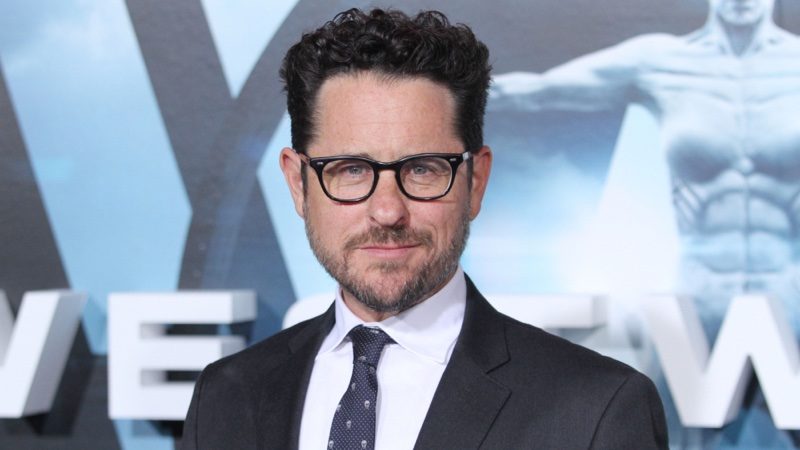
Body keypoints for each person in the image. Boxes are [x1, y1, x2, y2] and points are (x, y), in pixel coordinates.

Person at [180, 8, 668, 450]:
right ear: (297, 184)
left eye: (422, 169)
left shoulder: (596, 411)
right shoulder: (225, 397)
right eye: (351, 170)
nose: (387, 211)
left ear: (476, 181)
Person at [489, 0, 800, 336]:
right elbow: (536, 90)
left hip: (790, 294)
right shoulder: (660, 61)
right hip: (697, 297)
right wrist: (447, 90)